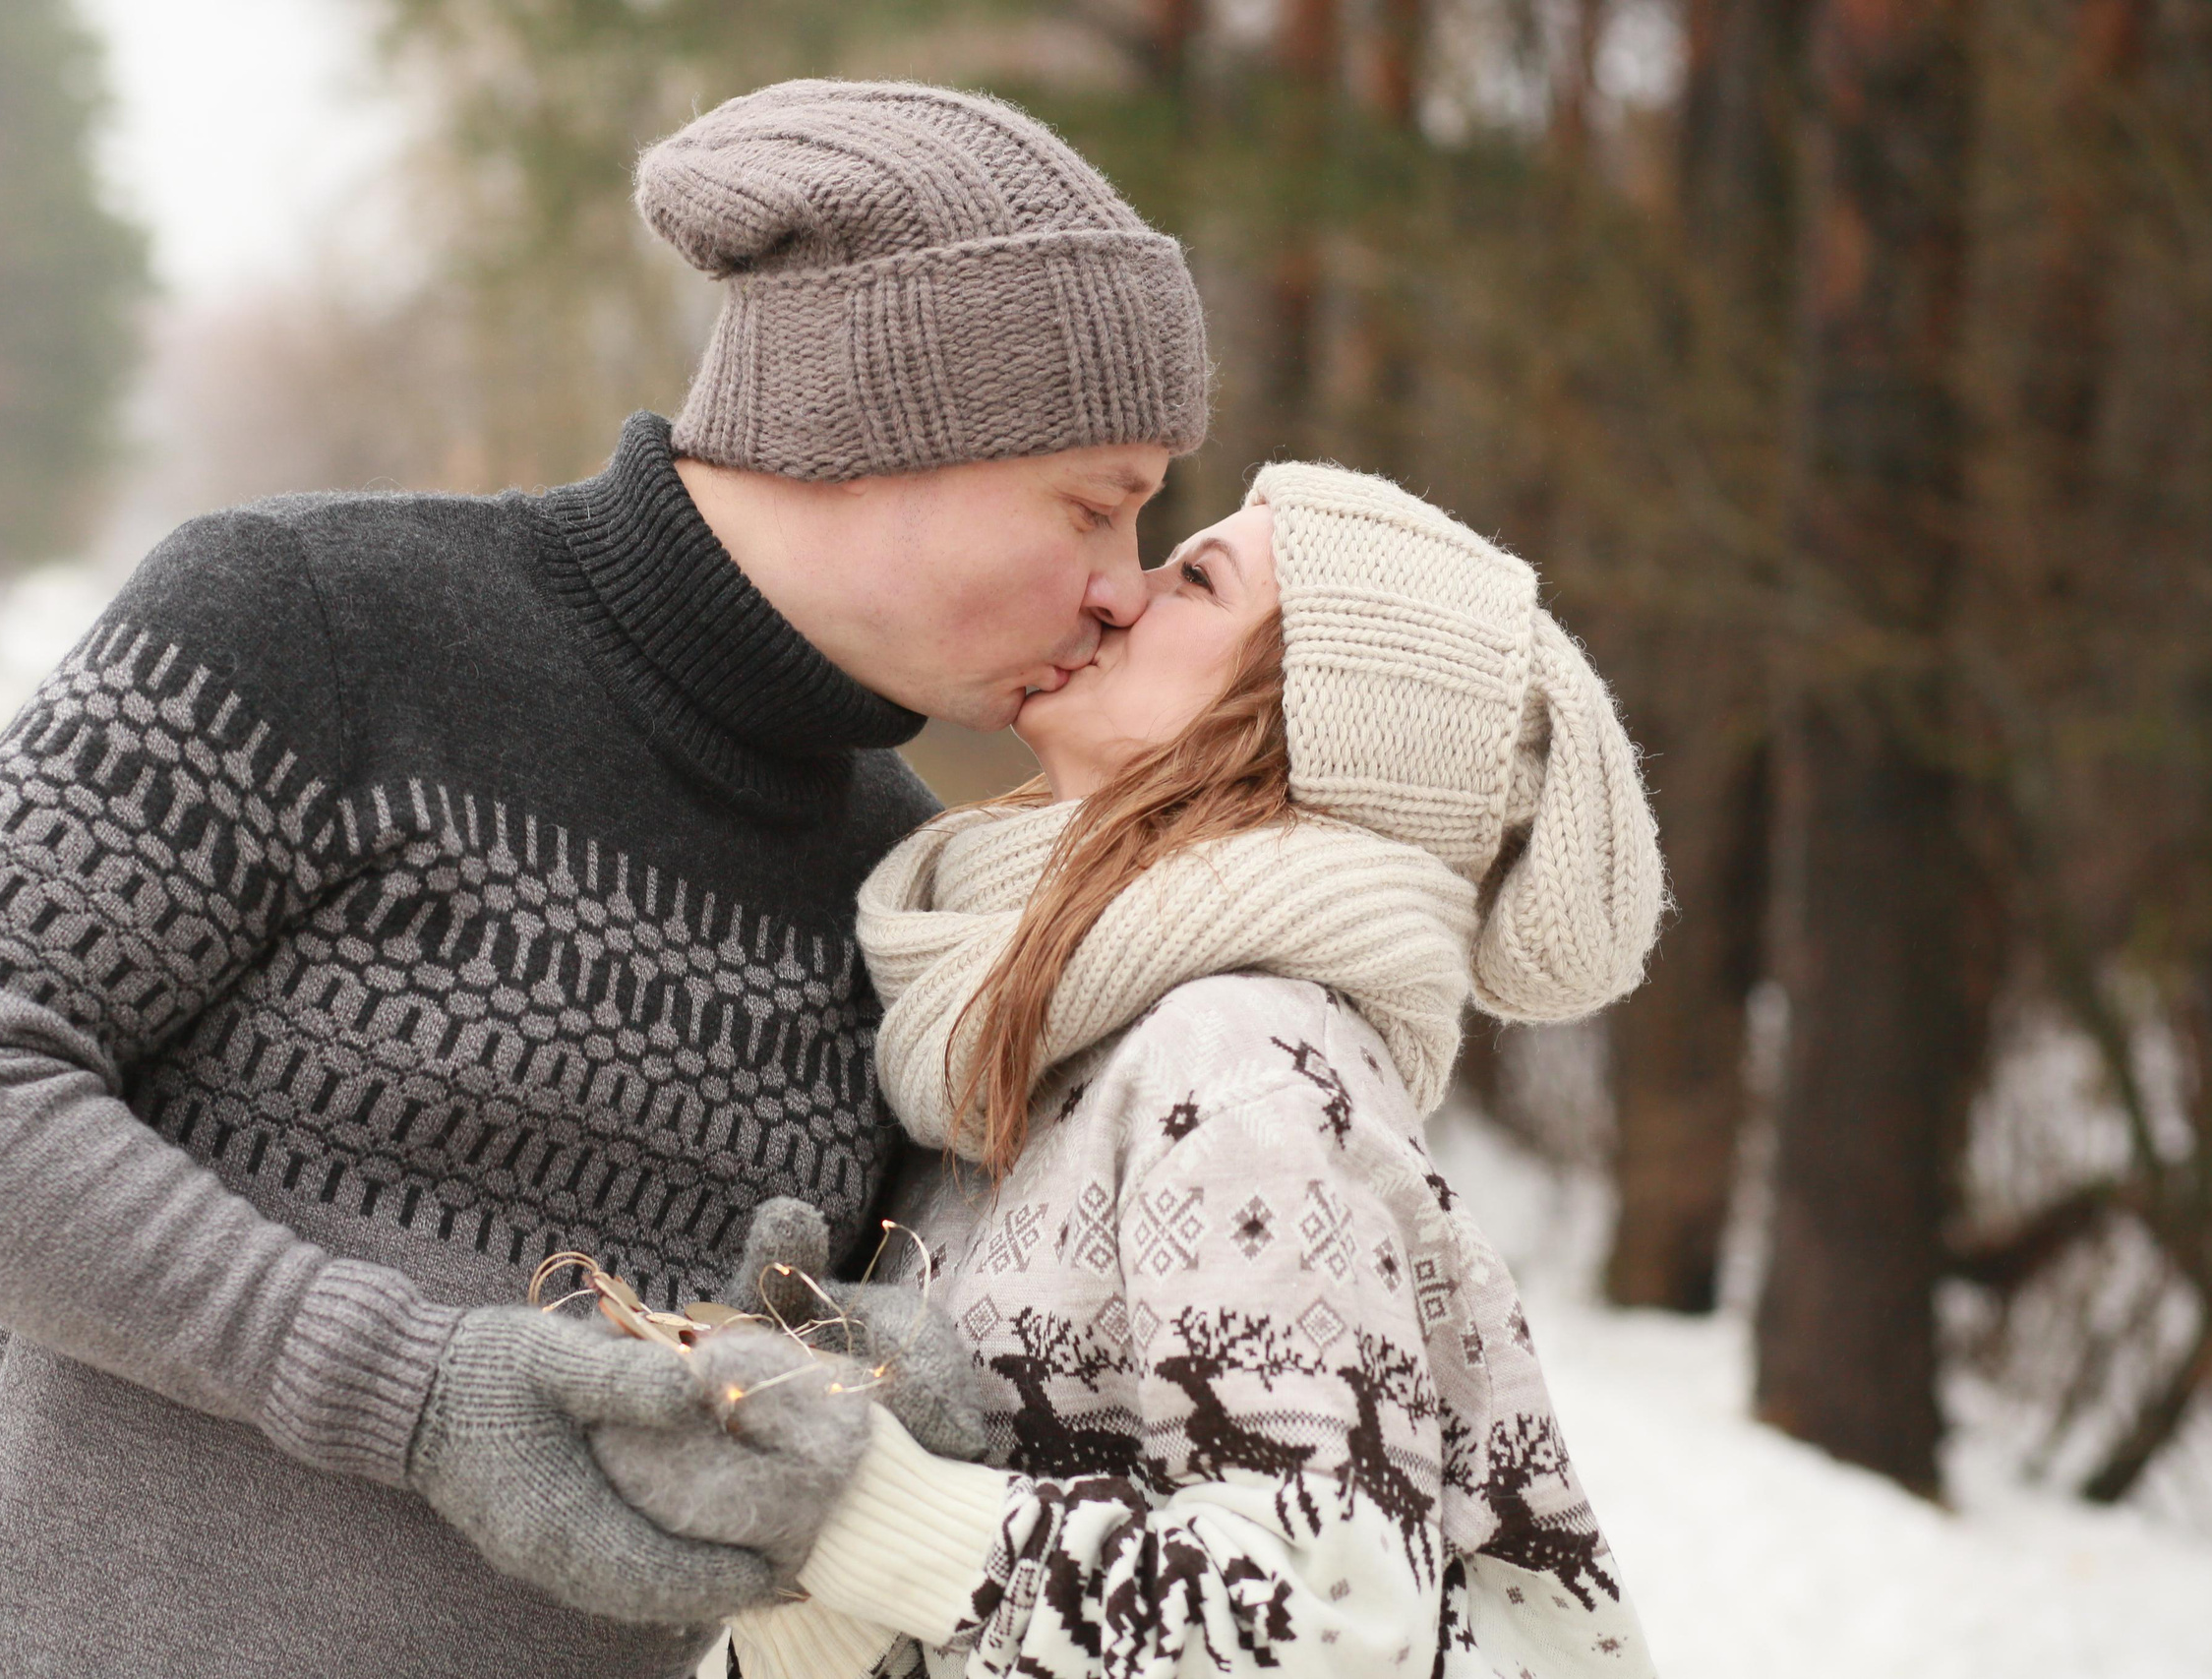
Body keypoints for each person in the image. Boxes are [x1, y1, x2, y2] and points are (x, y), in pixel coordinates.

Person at [0, 79, 1209, 1679]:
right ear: (888, 426)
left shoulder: (903, 874)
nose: (1120, 588)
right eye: (1099, 504)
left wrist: (851, 1394)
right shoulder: (312, 616)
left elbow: (773, 1382)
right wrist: (418, 1391)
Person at [596, 462, 1669, 1677]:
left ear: (1304, 728)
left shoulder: (1246, 1059)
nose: (1116, 594)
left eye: (1195, 579)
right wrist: (798, 1563)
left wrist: (863, 1510)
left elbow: (1327, 1625)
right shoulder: (1026, 1031)